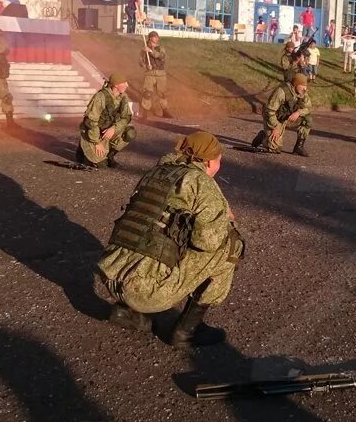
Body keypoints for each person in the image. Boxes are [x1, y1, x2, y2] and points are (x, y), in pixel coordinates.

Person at [94, 131, 244, 347]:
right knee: (230, 246)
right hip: (148, 290)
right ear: (209, 160)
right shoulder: (201, 182)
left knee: (154, 231)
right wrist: (226, 220)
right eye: (219, 160)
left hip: (111, 275)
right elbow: (208, 242)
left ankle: (128, 312)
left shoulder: (156, 172)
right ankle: (187, 332)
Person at [76, 72, 135, 168]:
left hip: (108, 130)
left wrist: (114, 128)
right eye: (124, 83)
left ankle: (110, 156)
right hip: (94, 133)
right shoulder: (100, 97)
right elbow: (90, 121)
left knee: (130, 133)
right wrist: (96, 142)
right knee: (100, 165)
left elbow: (127, 117)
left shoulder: (123, 97)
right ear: (116, 85)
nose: (127, 85)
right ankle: (82, 151)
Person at [251, 73, 312, 156]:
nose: (305, 88)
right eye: (302, 85)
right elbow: (270, 111)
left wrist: (298, 113)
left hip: (288, 117)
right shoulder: (281, 92)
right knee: (274, 149)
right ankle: (263, 137)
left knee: (307, 119)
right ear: (296, 84)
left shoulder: (302, 92)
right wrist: (274, 127)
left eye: (306, 86)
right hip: (275, 119)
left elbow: (308, 107)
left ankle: (299, 146)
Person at [140, 31, 168, 119]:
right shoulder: (144, 49)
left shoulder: (161, 48)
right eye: (155, 37)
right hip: (150, 74)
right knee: (147, 93)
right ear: (150, 38)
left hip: (161, 74)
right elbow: (140, 61)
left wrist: (151, 51)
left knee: (162, 93)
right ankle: (144, 113)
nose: (157, 38)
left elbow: (161, 56)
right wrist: (146, 66)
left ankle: (165, 111)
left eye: (157, 37)